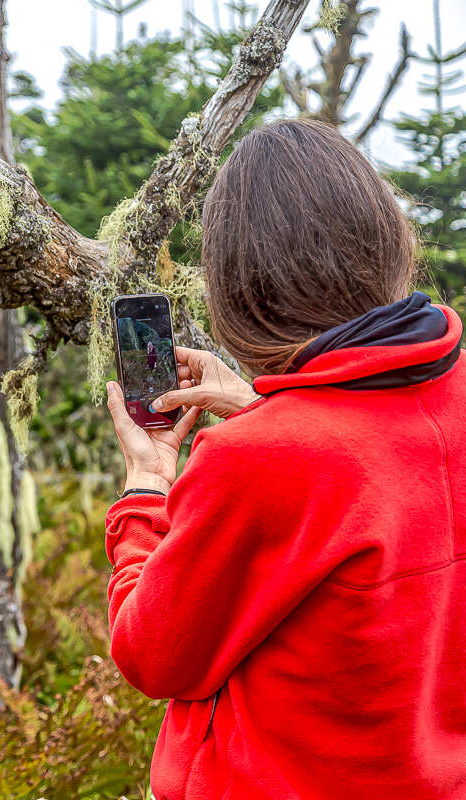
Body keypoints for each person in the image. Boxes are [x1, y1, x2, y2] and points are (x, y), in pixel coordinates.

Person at [103, 118, 466, 798]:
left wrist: (148, 487)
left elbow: (153, 655)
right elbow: (376, 466)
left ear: (242, 287)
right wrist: (259, 407)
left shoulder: (256, 460)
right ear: (386, 241)